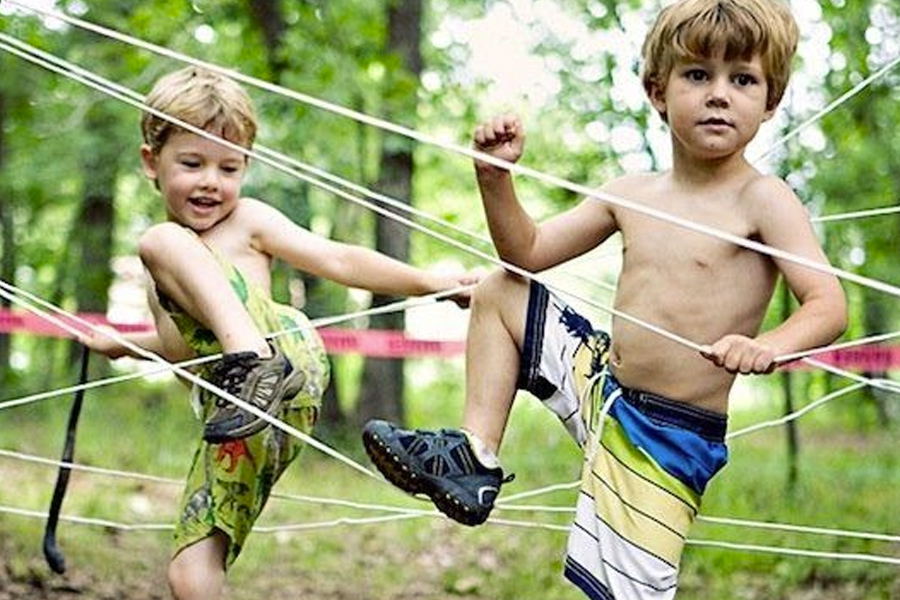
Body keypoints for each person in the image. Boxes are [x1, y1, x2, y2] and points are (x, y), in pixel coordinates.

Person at [362, 1, 848, 598]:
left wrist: (767, 346)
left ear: (771, 102)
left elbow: (828, 304)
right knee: (499, 290)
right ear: (657, 91)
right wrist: (494, 179)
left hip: (669, 436)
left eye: (742, 79)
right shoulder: (629, 193)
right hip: (600, 385)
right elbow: (527, 253)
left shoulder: (765, 200)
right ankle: (475, 456)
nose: (720, 94)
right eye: (698, 75)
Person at [82, 65, 478, 600]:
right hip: (239, 413)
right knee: (190, 574)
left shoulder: (241, 222)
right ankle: (249, 365)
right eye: (192, 163)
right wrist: (127, 346)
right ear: (151, 162)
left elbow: (338, 258)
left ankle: (252, 359)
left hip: (284, 362)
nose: (211, 182)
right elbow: (188, 353)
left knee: (159, 240)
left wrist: (430, 282)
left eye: (229, 167)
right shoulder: (166, 276)